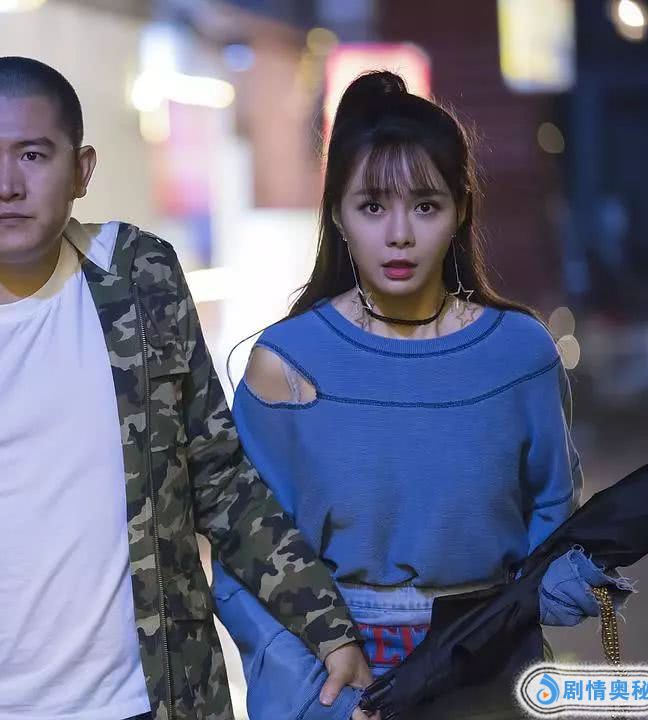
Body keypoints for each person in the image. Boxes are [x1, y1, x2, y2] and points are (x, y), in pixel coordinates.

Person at [0, 55, 372, 720]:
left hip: (144, 703)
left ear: (81, 170)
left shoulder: (141, 285)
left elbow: (220, 480)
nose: (6, 184)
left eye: (33, 155)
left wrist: (326, 624)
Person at [213, 71, 625, 719]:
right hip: (334, 670)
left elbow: (550, 512)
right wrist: (317, 690)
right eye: (373, 207)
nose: (399, 233)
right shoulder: (287, 362)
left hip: (485, 661)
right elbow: (247, 554)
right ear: (338, 215)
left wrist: (552, 589)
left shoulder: (519, 353)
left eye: (426, 205)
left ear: (461, 210)